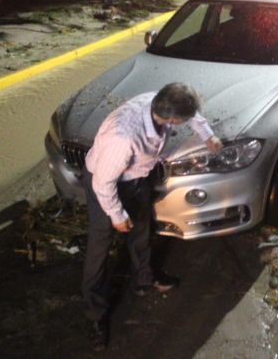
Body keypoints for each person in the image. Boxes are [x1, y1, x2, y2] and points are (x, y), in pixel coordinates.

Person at [83, 82, 222, 351]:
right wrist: (116, 215)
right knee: (99, 249)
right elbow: (103, 184)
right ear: (171, 119)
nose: (183, 123)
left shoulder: (159, 101)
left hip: (136, 178)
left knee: (141, 230)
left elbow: (191, 113)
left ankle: (145, 279)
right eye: (179, 122)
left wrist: (208, 136)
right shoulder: (122, 138)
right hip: (106, 184)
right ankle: (95, 316)